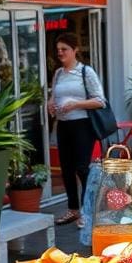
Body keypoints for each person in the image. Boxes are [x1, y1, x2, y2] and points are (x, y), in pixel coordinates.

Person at [46, 33, 107, 228]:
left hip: (82, 125)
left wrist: (75, 104)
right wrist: (51, 104)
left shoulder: (85, 72)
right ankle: (73, 208)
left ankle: (88, 211)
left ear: (75, 51)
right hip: (63, 125)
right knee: (66, 169)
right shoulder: (58, 73)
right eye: (58, 50)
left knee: (82, 168)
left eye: (64, 49)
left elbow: (100, 100)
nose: (60, 53)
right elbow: (53, 96)